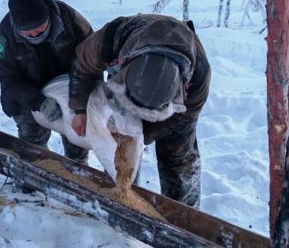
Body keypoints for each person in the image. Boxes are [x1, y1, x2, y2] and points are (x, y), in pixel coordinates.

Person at [68, 14, 211, 208]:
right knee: (120, 145)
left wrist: (145, 134)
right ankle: (123, 196)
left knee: (179, 158)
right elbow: (81, 65)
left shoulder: (199, 77)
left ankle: (184, 215)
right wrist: (79, 109)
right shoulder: (110, 40)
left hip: (175, 111)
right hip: (131, 82)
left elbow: (186, 115)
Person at [0, 0, 93, 164]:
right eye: (27, 32)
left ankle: (78, 171)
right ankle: (34, 171)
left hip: (70, 86)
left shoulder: (69, 19)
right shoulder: (5, 35)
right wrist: (38, 101)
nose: (34, 35)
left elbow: (91, 58)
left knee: (77, 134)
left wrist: (83, 103)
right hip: (28, 91)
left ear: (48, 15)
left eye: (39, 29)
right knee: (32, 138)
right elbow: (8, 78)